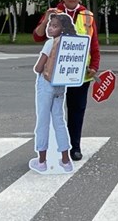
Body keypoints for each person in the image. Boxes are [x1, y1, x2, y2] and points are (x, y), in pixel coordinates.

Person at [33, 0, 100, 161]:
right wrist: (47, 18)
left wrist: (94, 65)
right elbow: (38, 36)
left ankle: (74, 147)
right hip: (54, 73)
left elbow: (94, 44)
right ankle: (51, 149)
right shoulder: (54, 13)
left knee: (77, 109)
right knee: (53, 111)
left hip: (79, 73)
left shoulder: (87, 15)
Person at [30, 13, 76, 174]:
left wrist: (40, 68)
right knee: (59, 121)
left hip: (46, 84)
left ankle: (41, 161)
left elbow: (38, 67)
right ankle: (66, 159)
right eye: (50, 25)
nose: (50, 28)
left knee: (43, 121)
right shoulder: (70, 44)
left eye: (54, 25)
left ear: (62, 28)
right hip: (60, 85)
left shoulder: (50, 43)